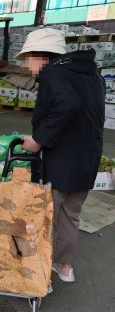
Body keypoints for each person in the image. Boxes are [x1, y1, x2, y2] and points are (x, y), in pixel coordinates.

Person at [17, 28, 105, 284]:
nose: (26, 65)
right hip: (88, 157)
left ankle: (39, 273)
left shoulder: (53, 74)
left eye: (28, 59)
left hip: (62, 158)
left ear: (40, 56)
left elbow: (68, 104)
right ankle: (64, 266)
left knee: (47, 216)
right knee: (71, 213)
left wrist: (38, 140)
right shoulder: (92, 75)